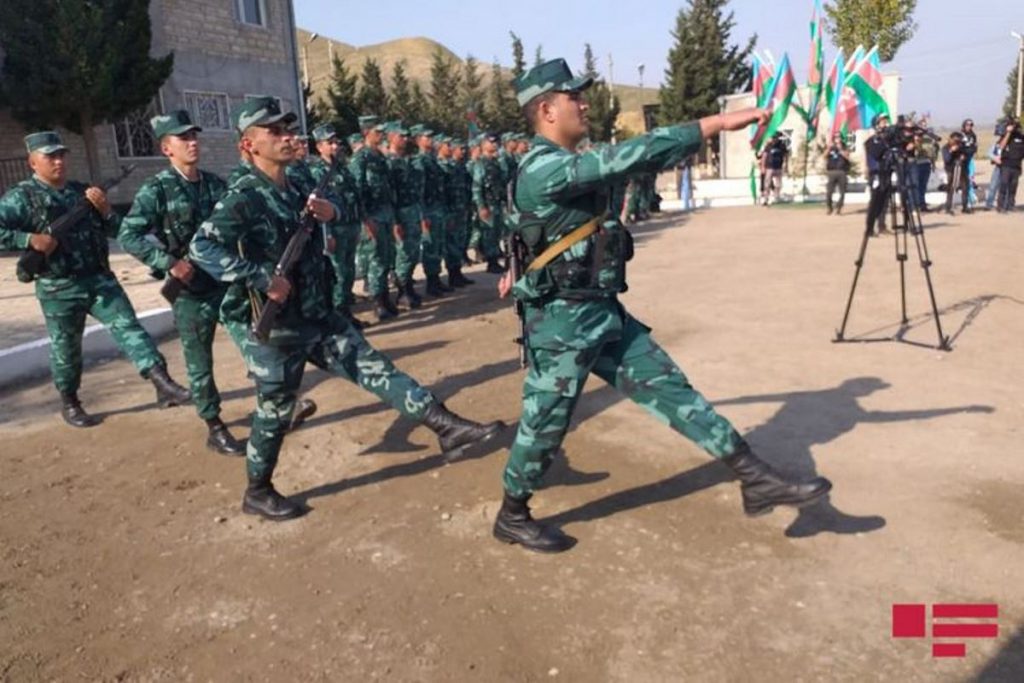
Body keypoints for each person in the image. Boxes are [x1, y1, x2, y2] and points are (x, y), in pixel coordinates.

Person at [492, 59, 831, 553]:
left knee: (671, 389)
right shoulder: (545, 167)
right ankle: (512, 514)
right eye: (574, 98)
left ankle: (755, 477)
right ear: (546, 109)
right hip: (561, 324)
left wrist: (516, 265)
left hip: (602, 312)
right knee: (544, 425)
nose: (584, 104)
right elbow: (631, 157)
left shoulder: (560, 164)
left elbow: (533, 229)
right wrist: (711, 126)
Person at [188, 97, 505, 521]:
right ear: (249, 146)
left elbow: (351, 207)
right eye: (275, 132)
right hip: (279, 327)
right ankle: (258, 490)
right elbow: (201, 247)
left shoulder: (298, 183)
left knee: (375, 367)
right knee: (275, 412)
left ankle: (444, 425)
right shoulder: (243, 196)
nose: (287, 137)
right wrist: (259, 276)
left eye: (287, 128)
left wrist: (332, 210)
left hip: (319, 313)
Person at [0, 131, 191, 427]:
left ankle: (163, 383)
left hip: (100, 279)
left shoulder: (83, 193)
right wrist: (28, 239)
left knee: (130, 328)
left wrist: (105, 211)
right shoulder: (20, 198)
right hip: (58, 286)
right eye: (50, 156)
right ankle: (70, 401)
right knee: (66, 347)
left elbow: (120, 231)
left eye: (61, 154)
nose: (58, 161)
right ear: (32, 162)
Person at [118, 110, 243, 454]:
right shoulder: (156, 190)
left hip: (224, 285)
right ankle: (214, 426)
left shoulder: (215, 184)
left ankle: (276, 405)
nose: (192, 143)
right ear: (166, 148)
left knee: (256, 342)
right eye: (183, 138)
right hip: (190, 293)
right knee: (199, 363)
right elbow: (129, 235)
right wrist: (168, 263)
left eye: (194, 136)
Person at [309, 123, 368, 327]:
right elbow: (319, 206)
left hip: (350, 226)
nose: (335, 146)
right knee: (338, 274)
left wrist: (360, 222)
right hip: (334, 231)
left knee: (349, 271)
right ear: (319, 147)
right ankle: (336, 316)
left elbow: (354, 197)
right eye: (330, 143)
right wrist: (327, 235)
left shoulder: (342, 168)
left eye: (336, 142)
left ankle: (345, 313)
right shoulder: (317, 171)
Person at [349, 115, 400, 320]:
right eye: (377, 131)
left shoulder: (379, 156)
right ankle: (378, 301)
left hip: (386, 213)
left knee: (387, 256)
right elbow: (357, 191)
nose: (381, 135)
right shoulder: (360, 158)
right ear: (366, 133)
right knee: (376, 258)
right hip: (372, 216)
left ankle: (386, 298)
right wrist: (365, 219)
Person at [383, 121, 424, 308]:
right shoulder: (388, 163)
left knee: (413, 251)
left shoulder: (405, 161)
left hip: (413, 211)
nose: (405, 139)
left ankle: (408, 285)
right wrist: (395, 222)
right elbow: (389, 195)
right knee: (404, 253)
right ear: (390, 137)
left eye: (406, 136)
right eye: (401, 136)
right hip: (400, 214)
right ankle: (402, 291)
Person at [472, 132, 508, 274]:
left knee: (496, 233)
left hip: (498, 203)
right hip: (488, 204)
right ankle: (491, 262)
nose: (495, 144)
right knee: (488, 234)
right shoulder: (481, 163)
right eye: (491, 142)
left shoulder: (496, 162)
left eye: (496, 142)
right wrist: (481, 206)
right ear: (483, 145)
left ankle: (495, 260)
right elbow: (476, 187)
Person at [864, 114, 892, 235]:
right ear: (876, 125)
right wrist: (885, 140)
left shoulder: (888, 140)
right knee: (875, 201)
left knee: (885, 201)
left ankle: (882, 225)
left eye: (886, 121)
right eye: (882, 122)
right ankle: (869, 228)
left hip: (887, 173)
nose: (885, 124)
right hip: (876, 174)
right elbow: (875, 154)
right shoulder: (872, 141)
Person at [996, 117, 1023, 213]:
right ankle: (1001, 206)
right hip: (1006, 165)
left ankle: (1011, 205)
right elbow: (1001, 146)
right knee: (1003, 186)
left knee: (1013, 187)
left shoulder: (1021, 136)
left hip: (1017, 166)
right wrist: (1008, 132)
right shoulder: (1006, 135)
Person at [942, 132, 970, 215]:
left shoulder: (962, 147)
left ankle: (965, 206)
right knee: (951, 188)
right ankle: (948, 207)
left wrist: (964, 157)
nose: (958, 142)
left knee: (965, 187)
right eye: (956, 140)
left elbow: (967, 154)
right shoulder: (946, 147)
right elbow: (946, 159)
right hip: (951, 170)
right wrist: (951, 151)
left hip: (962, 169)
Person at [824, 133, 850, 215]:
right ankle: (829, 207)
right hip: (832, 171)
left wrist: (840, 149)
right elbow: (824, 156)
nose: (837, 139)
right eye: (835, 137)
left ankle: (839, 208)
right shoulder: (831, 147)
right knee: (829, 192)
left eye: (838, 137)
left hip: (842, 171)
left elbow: (847, 157)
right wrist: (828, 148)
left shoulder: (844, 147)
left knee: (842, 192)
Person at [761, 133, 788, 205]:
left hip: (778, 167)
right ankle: (765, 198)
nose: (774, 139)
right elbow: (764, 156)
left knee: (778, 184)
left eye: (775, 138)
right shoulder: (768, 146)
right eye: (773, 138)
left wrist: (786, 166)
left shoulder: (781, 146)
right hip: (769, 167)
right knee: (767, 184)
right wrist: (763, 167)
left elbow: (785, 156)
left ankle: (776, 197)